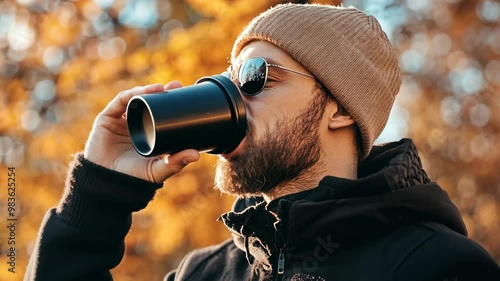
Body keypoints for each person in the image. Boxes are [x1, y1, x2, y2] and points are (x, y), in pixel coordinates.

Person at [25, 3, 500, 281]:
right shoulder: (204, 273)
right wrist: (96, 195)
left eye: (255, 77)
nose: (231, 98)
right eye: (227, 79)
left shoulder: (436, 266)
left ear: (338, 108)